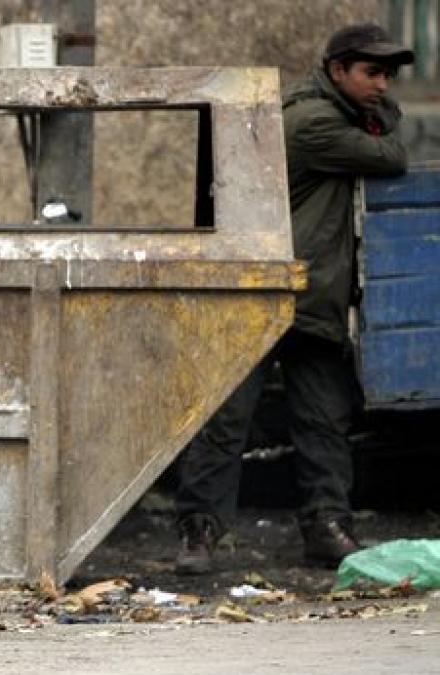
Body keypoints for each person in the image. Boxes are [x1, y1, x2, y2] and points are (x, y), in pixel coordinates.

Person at [175, 24, 414, 574]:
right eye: (371, 72)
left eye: (388, 75)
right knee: (227, 422)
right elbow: (392, 156)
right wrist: (385, 125)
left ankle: (327, 529)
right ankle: (199, 534)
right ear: (336, 71)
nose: (383, 85)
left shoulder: (341, 114)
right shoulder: (313, 122)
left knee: (323, 421)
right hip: (265, 295)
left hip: (312, 296)